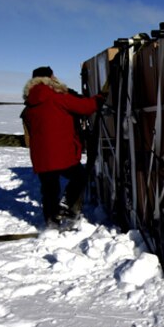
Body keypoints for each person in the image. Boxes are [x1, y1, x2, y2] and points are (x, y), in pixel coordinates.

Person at [21, 66, 104, 229]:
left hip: (41, 155)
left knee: (49, 189)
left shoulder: (29, 104)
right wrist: (100, 98)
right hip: (61, 151)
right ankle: (67, 203)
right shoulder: (57, 97)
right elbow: (86, 107)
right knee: (79, 176)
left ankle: (51, 223)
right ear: (50, 78)